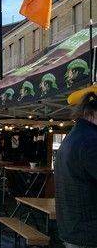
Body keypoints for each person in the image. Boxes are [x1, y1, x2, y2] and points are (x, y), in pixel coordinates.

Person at [55, 91, 97, 248]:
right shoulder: (91, 140)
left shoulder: (73, 136)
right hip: (89, 233)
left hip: (72, 228)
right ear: (92, 113)